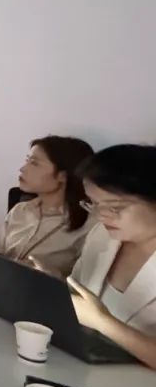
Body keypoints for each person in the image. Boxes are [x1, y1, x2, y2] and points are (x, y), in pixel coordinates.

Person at [68, 145, 156, 369]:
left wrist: (104, 322)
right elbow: (79, 296)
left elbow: (94, 317)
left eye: (115, 207)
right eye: (94, 203)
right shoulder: (102, 236)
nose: (101, 216)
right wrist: (53, 284)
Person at [0, 136, 94, 278]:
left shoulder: (92, 225)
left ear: (63, 176)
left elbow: (88, 286)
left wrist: (49, 275)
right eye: (27, 161)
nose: (22, 169)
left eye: (34, 163)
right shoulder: (20, 210)